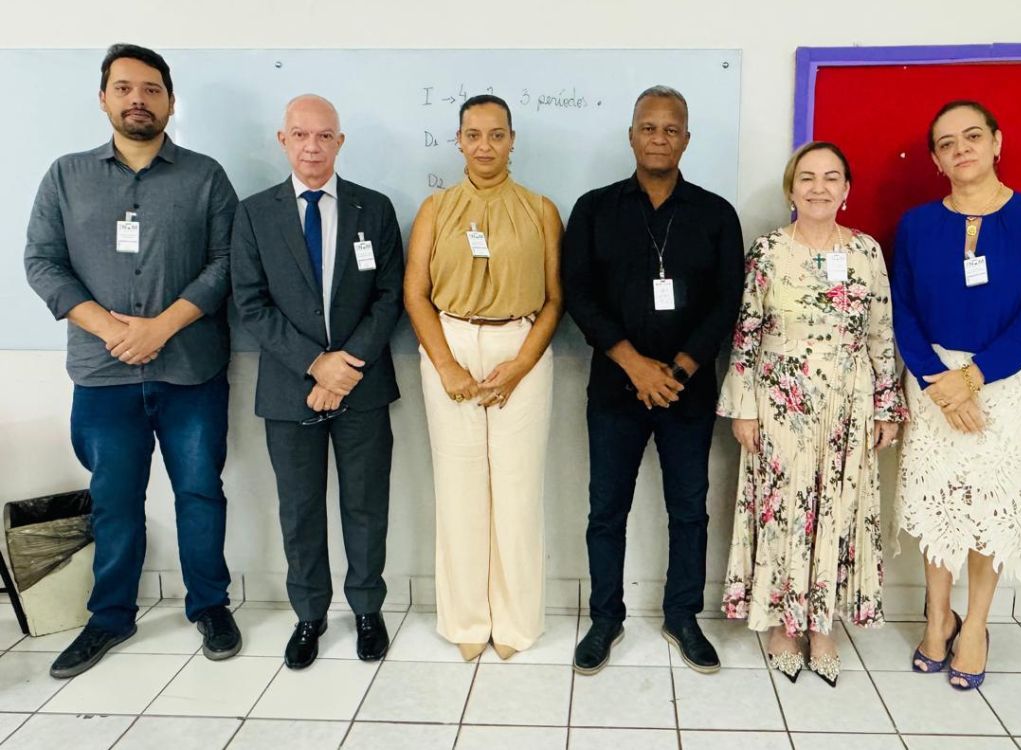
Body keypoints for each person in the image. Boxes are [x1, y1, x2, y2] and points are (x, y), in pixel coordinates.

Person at [24, 43, 241, 678]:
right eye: (124, 88)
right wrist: (110, 329)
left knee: (200, 493)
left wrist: (163, 326)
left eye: (150, 89)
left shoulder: (205, 177)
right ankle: (109, 618)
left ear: (171, 101)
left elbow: (227, 261)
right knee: (115, 498)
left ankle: (210, 606)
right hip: (102, 374)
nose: (137, 99)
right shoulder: (65, 176)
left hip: (190, 371)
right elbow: (42, 261)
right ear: (103, 98)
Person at [563, 85, 743, 675]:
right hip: (616, 386)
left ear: (686, 139)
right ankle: (605, 619)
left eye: (671, 129)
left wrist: (681, 368)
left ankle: (682, 615)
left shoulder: (716, 214)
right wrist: (635, 364)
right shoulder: (594, 208)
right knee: (605, 510)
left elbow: (727, 302)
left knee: (689, 509)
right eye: (648, 127)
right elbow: (578, 295)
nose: (659, 137)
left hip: (688, 391)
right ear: (631, 134)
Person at [718, 141, 907, 686]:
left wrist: (886, 406)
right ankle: (782, 623)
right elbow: (747, 331)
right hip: (781, 400)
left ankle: (823, 625)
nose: (819, 187)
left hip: (849, 400)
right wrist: (744, 407)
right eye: (807, 177)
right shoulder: (768, 250)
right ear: (790, 189)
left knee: (839, 510)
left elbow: (880, 332)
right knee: (784, 510)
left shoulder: (868, 252)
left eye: (831, 177)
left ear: (846, 190)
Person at [892, 100, 1021, 690]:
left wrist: (975, 378)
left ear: (996, 141)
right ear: (937, 160)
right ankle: (938, 619)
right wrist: (938, 382)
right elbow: (905, 312)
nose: (960, 148)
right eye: (946, 143)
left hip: (1006, 386)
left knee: (990, 509)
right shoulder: (916, 225)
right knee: (939, 503)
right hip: (933, 381)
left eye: (972, 136)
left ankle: (977, 627)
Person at [231, 95, 403, 669]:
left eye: (324, 136)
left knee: (365, 504)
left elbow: (388, 296)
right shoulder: (254, 214)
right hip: (290, 389)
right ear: (283, 140)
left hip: (362, 386)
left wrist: (345, 364)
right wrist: (314, 364)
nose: (312, 146)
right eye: (300, 135)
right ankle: (309, 615)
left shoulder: (373, 210)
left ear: (340, 141)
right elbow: (250, 304)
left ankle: (367, 610)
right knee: (300, 510)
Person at [403, 94, 563, 662]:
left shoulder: (540, 209)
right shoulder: (435, 209)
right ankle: (467, 620)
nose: (485, 146)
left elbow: (554, 297)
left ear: (513, 140)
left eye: (497, 135)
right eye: (474, 135)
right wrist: (446, 362)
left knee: (518, 490)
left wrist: (520, 364)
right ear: (459, 141)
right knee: (460, 488)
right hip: (450, 345)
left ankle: (516, 624)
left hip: (520, 347)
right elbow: (414, 294)